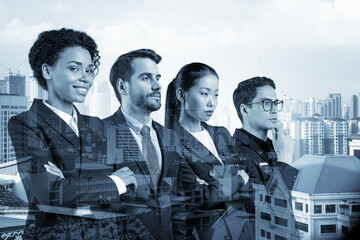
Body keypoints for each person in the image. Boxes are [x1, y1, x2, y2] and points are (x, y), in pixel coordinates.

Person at [8, 28, 136, 239]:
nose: (85, 78)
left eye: (89, 70)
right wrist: (112, 181)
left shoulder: (98, 125)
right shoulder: (25, 123)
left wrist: (67, 180)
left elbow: (131, 183)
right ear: (48, 71)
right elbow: (48, 193)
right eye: (75, 69)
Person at [103, 49, 187, 239]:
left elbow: (177, 202)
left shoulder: (170, 137)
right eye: (146, 78)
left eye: (158, 77)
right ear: (123, 87)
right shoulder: (100, 133)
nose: (157, 85)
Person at [165, 62, 253, 240]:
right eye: (204, 94)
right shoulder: (171, 143)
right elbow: (201, 199)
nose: (211, 102)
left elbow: (250, 188)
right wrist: (237, 179)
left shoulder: (221, 134)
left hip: (243, 230)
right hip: (211, 233)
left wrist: (215, 186)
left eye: (216, 94)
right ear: (182, 95)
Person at [232, 76, 299, 236]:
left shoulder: (274, 147)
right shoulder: (235, 153)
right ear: (245, 110)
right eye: (266, 103)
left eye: (276, 103)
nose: (274, 109)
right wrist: (284, 160)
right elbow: (269, 213)